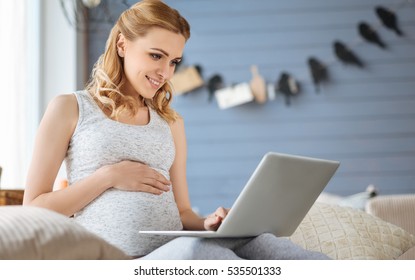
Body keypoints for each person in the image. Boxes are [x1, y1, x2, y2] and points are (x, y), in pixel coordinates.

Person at [23, 0, 329, 260]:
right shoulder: (69, 107)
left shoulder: (171, 121)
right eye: (156, 56)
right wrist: (109, 176)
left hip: (173, 247)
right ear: (122, 45)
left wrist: (208, 223)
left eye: (174, 62)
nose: (165, 72)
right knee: (201, 254)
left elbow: (183, 213)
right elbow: (34, 206)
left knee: (269, 244)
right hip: (120, 259)